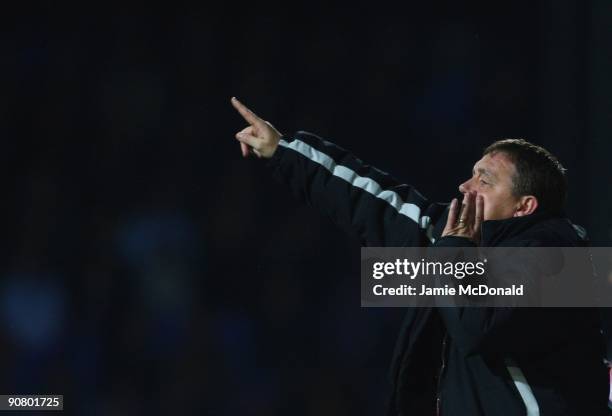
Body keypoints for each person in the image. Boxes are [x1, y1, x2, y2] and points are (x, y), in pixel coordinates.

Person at [230, 97, 609, 415]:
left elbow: (477, 326)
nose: (464, 187)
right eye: (471, 175)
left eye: (484, 181)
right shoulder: (457, 241)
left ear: (524, 206)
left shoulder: (559, 259)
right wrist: (285, 151)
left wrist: (452, 252)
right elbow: (376, 203)